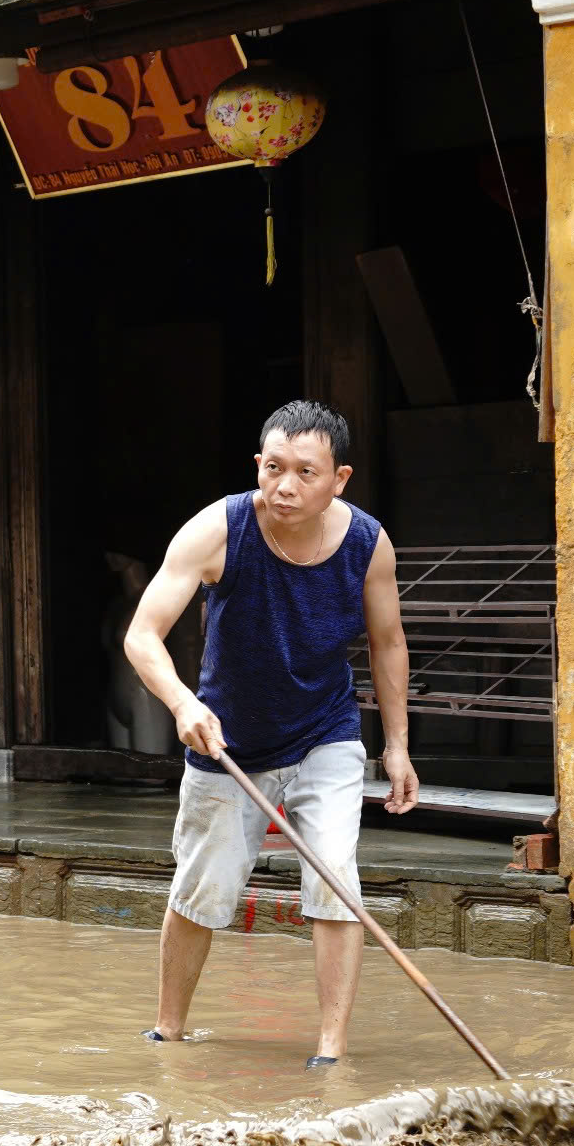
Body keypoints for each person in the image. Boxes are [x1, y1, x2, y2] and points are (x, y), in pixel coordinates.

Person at [121, 400, 417, 1067]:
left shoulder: (369, 544)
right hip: (226, 741)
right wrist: (182, 704)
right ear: (259, 463)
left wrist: (396, 743)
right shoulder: (219, 530)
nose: (284, 485)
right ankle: (168, 1032)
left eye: (304, 472)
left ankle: (331, 1051)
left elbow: (388, 641)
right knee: (202, 888)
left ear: (338, 479)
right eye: (273, 467)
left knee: (336, 874)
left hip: (325, 731)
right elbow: (142, 634)